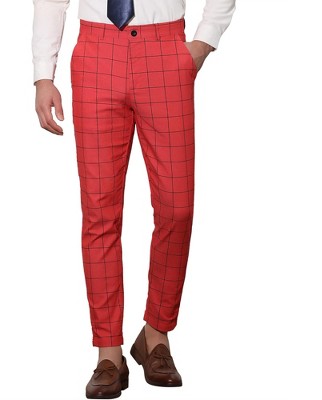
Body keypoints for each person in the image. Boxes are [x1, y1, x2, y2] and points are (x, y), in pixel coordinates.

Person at [32, 0, 235, 398]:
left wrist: (204, 40)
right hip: (96, 53)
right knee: (99, 212)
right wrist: (43, 73)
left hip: (166, 52)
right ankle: (108, 352)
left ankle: (156, 333)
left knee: (177, 207)